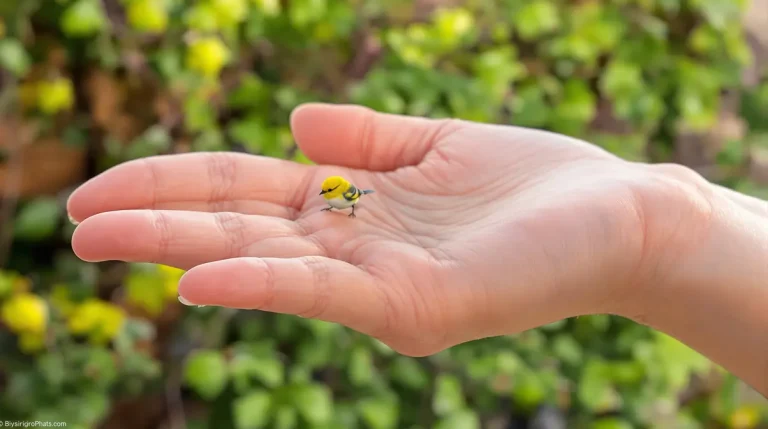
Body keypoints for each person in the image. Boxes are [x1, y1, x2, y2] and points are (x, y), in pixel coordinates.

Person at [66, 103, 768, 397]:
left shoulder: (351, 198)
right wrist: (667, 222)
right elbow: (349, 198)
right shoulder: (350, 195)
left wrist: (663, 225)